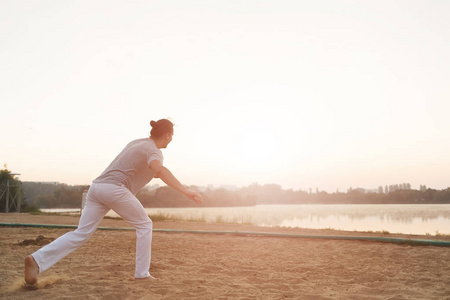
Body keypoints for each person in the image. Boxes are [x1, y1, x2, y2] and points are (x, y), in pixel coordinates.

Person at [24, 119, 202, 284]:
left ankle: (36, 260)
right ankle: (142, 274)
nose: (171, 139)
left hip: (97, 188)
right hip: (114, 189)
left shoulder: (138, 143)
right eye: (172, 136)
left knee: (81, 233)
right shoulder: (153, 151)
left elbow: (145, 168)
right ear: (168, 135)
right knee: (145, 225)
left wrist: (156, 172)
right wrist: (186, 191)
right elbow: (160, 170)